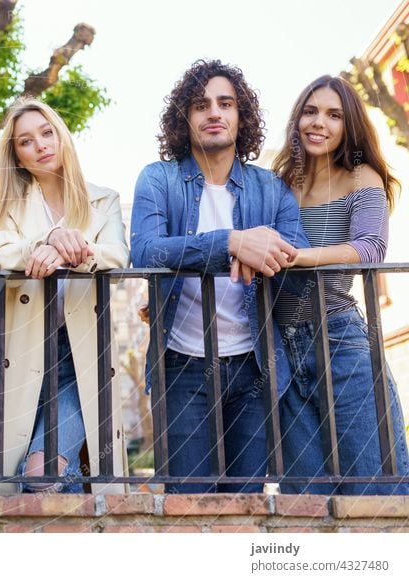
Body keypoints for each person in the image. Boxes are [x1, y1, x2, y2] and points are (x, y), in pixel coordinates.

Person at [130, 59, 309, 493]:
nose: (214, 112)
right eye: (200, 104)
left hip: (255, 366)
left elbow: (298, 262)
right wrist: (231, 242)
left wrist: (265, 249)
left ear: (240, 116)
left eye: (225, 103)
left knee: (246, 504)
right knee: (190, 506)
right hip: (181, 365)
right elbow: (146, 250)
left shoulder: (271, 188)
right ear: (184, 119)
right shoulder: (159, 179)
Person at [0, 98, 129, 494]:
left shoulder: (103, 200)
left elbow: (117, 257)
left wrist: (63, 252)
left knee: (41, 472)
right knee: (31, 479)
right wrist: (47, 239)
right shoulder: (8, 206)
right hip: (22, 357)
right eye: (26, 141)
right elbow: (1, 253)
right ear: (17, 157)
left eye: (47, 132)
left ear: (62, 137)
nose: (40, 144)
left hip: (82, 358)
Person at [272, 75, 409, 495]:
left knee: (374, 486)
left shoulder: (361, 176)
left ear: (349, 125)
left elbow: (370, 248)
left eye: (334, 115)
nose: (319, 123)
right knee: (306, 497)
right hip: (279, 348)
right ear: (297, 120)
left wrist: (299, 257)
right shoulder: (279, 183)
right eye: (311, 112)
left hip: (340, 340)